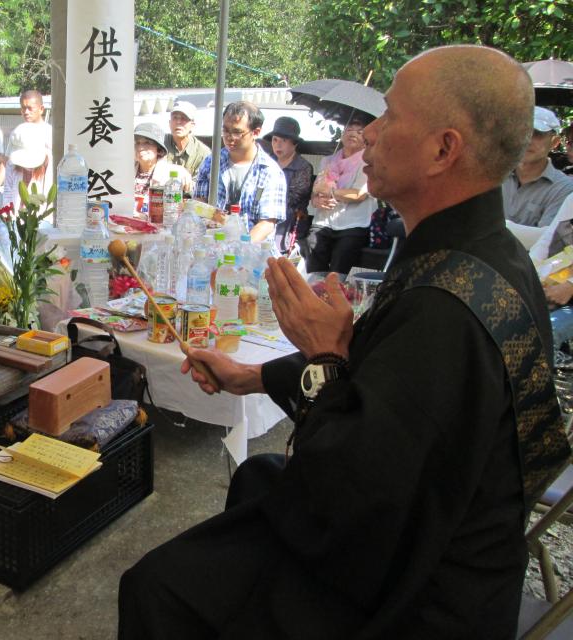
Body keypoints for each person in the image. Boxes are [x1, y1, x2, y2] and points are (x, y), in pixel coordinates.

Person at [119, 45, 570, 639]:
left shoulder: (445, 308)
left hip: (421, 593)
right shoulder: (484, 253)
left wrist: (325, 353)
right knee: (257, 481)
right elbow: (391, 396)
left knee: (158, 586)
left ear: (444, 149)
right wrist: (256, 376)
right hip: (420, 528)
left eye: (389, 117)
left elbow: (345, 502)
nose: (369, 136)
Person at [194, 101, 286, 242]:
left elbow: (266, 224)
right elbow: (199, 203)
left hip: (254, 251)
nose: (229, 137)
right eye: (225, 130)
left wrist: (241, 248)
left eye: (237, 132)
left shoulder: (270, 172)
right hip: (212, 244)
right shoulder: (211, 162)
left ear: (256, 132)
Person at [304, 119, 377, 274]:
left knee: (339, 268)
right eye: (349, 129)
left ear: (366, 139)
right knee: (313, 254)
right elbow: (316, 191)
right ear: (342, 134)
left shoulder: (368, 162)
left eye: (359, 131)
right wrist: (316, 200)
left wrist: (331, 193)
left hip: (353, 224)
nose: (352, 134)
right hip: (323, 222)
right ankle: (314, 292)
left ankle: (332, 293)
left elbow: (359, 194)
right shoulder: (328, 161)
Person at [502, 106, 573, 227]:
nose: (528, 140)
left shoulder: (563, 188)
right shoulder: (495, 176)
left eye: (537, 134)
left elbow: (546, 239)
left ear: (554, 142)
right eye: (522, 132)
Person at [263, 116, 313, 254]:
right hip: (265, 213)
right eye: (275, 140)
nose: (277, 145)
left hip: (290, 219)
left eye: (283, 141)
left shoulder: (303, 167)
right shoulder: (266, 162)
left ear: (294, 143)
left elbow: (293, 198)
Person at [1, 122, 51, 213]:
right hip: (16, 217)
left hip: (41, 219)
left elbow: (49, 198)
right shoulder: (12, 164)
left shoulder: (49, 163)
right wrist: (8, 215)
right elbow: (8, 192)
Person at [133, 122, 190, 198]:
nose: (140, 148)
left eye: (147, 143)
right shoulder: (125, 171)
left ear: (158, 149)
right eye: (137, 143)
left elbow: (178, 203)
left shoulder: (175, 174)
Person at [163, 101, 211, 179]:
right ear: (169, 123)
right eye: (175, 118)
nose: (178, 122)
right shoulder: (160, 144)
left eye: (184, 118)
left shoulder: (203, 154)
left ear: (192, 125)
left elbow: (201, 184)